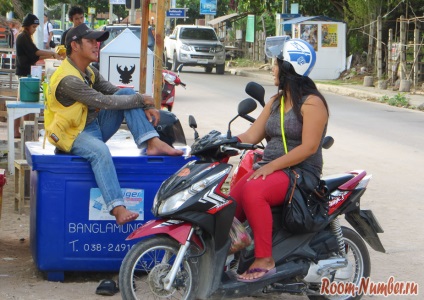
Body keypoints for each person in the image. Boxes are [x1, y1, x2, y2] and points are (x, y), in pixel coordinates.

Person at [44, 23, 184, 225]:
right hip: (71, 135)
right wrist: (142, 101)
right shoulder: (68, 79)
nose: (97, 45)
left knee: (126, 93)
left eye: (97, 41)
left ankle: (151, 142)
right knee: (100, 151)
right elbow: (105, 102)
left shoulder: (88, 70)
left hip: (92, 127)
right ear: (75, 46)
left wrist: (142, 104)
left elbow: (114, 92)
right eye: (90, 41)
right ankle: (117, 207)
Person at [229, 40, 329, 282]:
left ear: (288, 68)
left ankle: (265, 259)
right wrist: (221, 143)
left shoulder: (313, 103)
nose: (272, 69)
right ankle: (227, 254)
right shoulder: (277, 101)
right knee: (229, 202)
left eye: (275, 64)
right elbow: (252, 135)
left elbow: (309, 147)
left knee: (253, 190)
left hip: (300, 173)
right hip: (271, 170)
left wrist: (272, 165)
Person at [14, 13, 62, 138]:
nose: (35, 30)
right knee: (21, 102)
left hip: (26, 72)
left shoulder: (26, 37)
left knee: (25, 102)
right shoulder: (23, 37)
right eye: (34, 27)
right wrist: (52, 53)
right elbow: (35, 53)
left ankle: (24, 128)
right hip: (23, 73)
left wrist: (52, 55)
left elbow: (35, 55)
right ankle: (17, 130)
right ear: (27, 26)